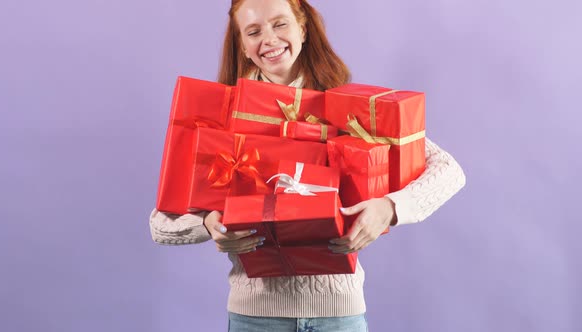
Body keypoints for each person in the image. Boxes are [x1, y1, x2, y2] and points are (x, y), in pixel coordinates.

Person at [149, 0, 466, 331]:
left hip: (338, 313)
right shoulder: (223, 117)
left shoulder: (351, 111)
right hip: (255, 317)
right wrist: (209, 224)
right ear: (242, 46)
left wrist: (390, 207)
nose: (269, 39)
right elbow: (160, 223)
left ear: (303, 29)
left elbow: (448, 170)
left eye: (280, 24)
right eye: (254, 31)